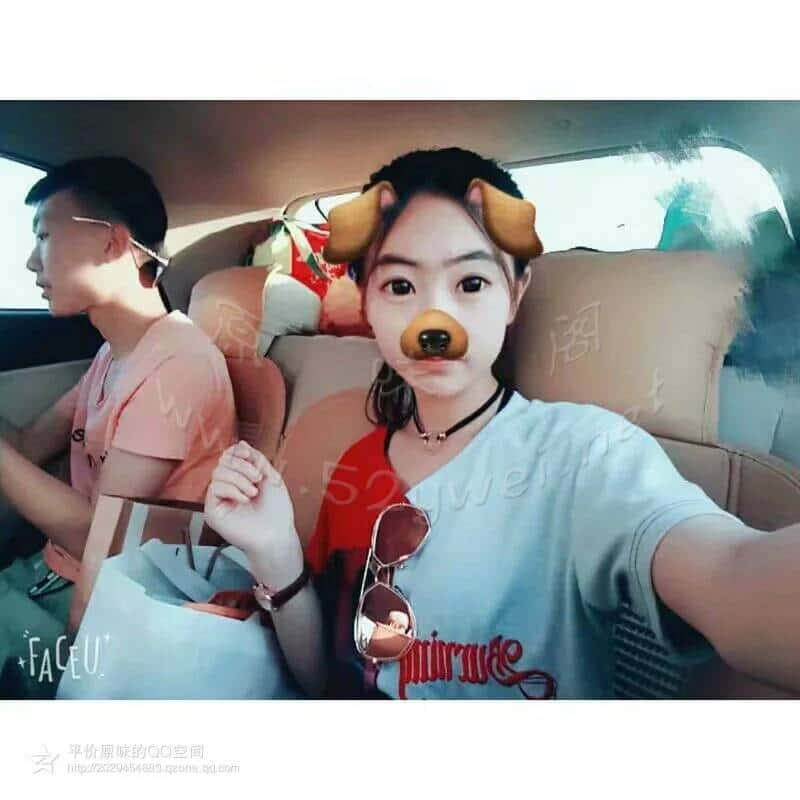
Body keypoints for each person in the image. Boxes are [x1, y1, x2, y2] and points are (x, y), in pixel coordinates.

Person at [204, 147, 800, 699]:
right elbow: (325, 680)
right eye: (400, 285)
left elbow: (730, 575)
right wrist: (275, 551)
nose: (434, 320)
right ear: (367, 304)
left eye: (471, 282)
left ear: (514, 294)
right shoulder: (356, 468)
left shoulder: (586, 454)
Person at [0, 157, 237, 697]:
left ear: (112, 244)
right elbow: (29, 445)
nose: (32, 261)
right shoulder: (114, 354)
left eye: (44, 237)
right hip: (50, 571)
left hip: (109, 603)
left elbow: (101, 538)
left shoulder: (178, 364)